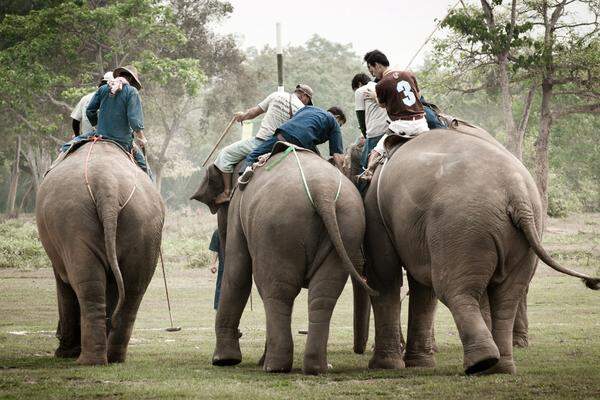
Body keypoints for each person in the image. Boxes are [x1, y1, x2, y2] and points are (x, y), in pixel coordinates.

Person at [213, 84, 314, 204]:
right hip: (286, 147)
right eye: (308, 101)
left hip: (262, 142)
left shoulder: (276, 95)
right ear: (304, 96)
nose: (307, 104)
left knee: (225, 154)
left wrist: (242, 116)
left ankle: (227, 192)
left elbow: (254, 112)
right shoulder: (304, 110)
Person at [59, 65, 150, 176]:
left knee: (67, 146)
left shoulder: (103, 89)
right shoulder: (132, 92)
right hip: (123, 141)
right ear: (130, 79)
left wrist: (97, 125)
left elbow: (90, 111)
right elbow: (134, 120)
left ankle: (54, 166)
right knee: (145, 169)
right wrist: (142, 138)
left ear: (119, 75)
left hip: (101, 134)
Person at [361, 50, 430, 180]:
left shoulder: (381, 84)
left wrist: (375, 96)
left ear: (377, 65)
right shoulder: (409, 74)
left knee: (376, 151)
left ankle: (368, 172)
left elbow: (382, 105)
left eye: (372, 70)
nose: (373, 74)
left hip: (401, 126)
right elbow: (418, 96)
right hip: (421, 124)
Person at [240, 106, 346, 181]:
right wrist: (343, 176)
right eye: (340, 124)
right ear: (337, 117)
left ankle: (245, 172)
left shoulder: (308, 108)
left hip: (282, 136)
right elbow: (337, 156)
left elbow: (294, 122)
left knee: (253, 155)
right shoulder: (333, 122)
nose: (339, 126)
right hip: (304, 143)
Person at [351, 72, 389, 169]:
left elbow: (361, 118)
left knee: (363, 165)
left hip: (375, 132)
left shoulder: (360, 91)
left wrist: (365, 135)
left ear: (359, 84)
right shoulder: (381, 86)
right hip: (389, 129)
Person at [70, 71, 113, 138]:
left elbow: (75, 121)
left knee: (66, 147)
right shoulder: (116, 99)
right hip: (110, 137)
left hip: (86, 137)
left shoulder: (85, 98)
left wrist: (77, 136)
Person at [208, 229, 224, 310]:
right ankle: (218, 310)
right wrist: (213, 264)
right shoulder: (218, 232)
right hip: (224, 267)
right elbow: (215, 250)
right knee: (220, 288)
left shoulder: (238, 231)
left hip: (237, 266)